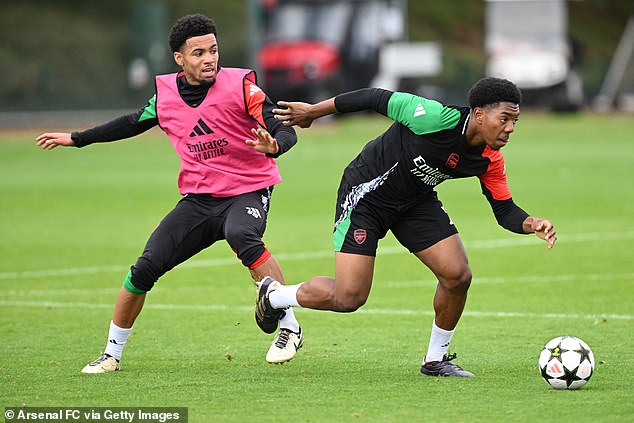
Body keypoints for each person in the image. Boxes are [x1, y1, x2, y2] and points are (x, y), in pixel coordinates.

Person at [36, 14, 304, 373]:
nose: (209, 59)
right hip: (199, 201)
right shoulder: (165, 96)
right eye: (198, 53)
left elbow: (281, 127)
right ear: (179, 59)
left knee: (242, 234)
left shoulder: (242, 85)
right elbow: (131, 122)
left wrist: (275, 147)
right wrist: (78, 138)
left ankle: (289, 328)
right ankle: (111, 354)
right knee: (143, 270)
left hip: (248, 191)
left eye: (213, 50)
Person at [255, 77, 557, 377]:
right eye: (504, 119)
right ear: (479, 114)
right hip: (366, 197)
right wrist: (312, 113)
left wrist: (533, 223)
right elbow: (373, 97)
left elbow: (504, 210)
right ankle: (275, 296)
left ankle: (435, 360)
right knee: (349, 298)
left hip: (415, 202)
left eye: (515, 121)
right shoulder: (433, 116)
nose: (510, 129)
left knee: (457, 275)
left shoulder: (490, 160)